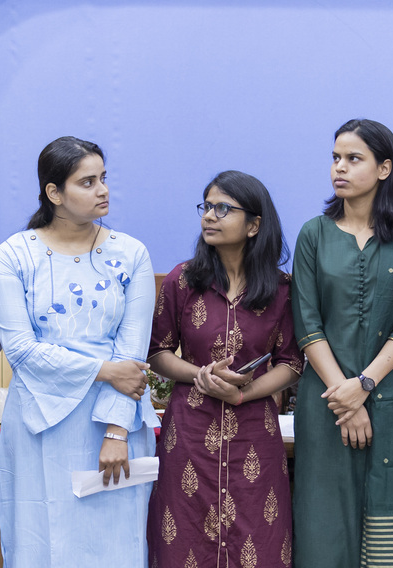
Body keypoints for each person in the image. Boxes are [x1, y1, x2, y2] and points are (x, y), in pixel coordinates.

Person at [0, 136, 156, 566]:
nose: (103, 190)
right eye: (87, 182)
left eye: (103, 178)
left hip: (112, 419)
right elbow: (21, 350)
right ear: (54, 193)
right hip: (38, 422)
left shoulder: (131, 253)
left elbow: (132, 356)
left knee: (116, 546)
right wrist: (105, 370)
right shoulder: (15, 255)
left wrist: (116, 432)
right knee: (40, 544)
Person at [291, 119, 393, 566]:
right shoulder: (314, 234)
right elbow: (307, 324)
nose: (340, 167)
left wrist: (365, 385)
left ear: (384, 168)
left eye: (354, 159)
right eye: (336, 158)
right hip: (327, 401)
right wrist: (346, 399)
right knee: (325, 523)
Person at [147, 170, 303, 567]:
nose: (209, 216)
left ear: (254, 225)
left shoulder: (283, 289)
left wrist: (243, 392)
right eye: (206, 206)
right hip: (189, 433)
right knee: (182, 544)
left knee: (261, 545)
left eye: (223, 208)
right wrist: (200, 375)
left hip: (255, 434)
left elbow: (291, 362)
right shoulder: (182, 281)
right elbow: (158, 352)